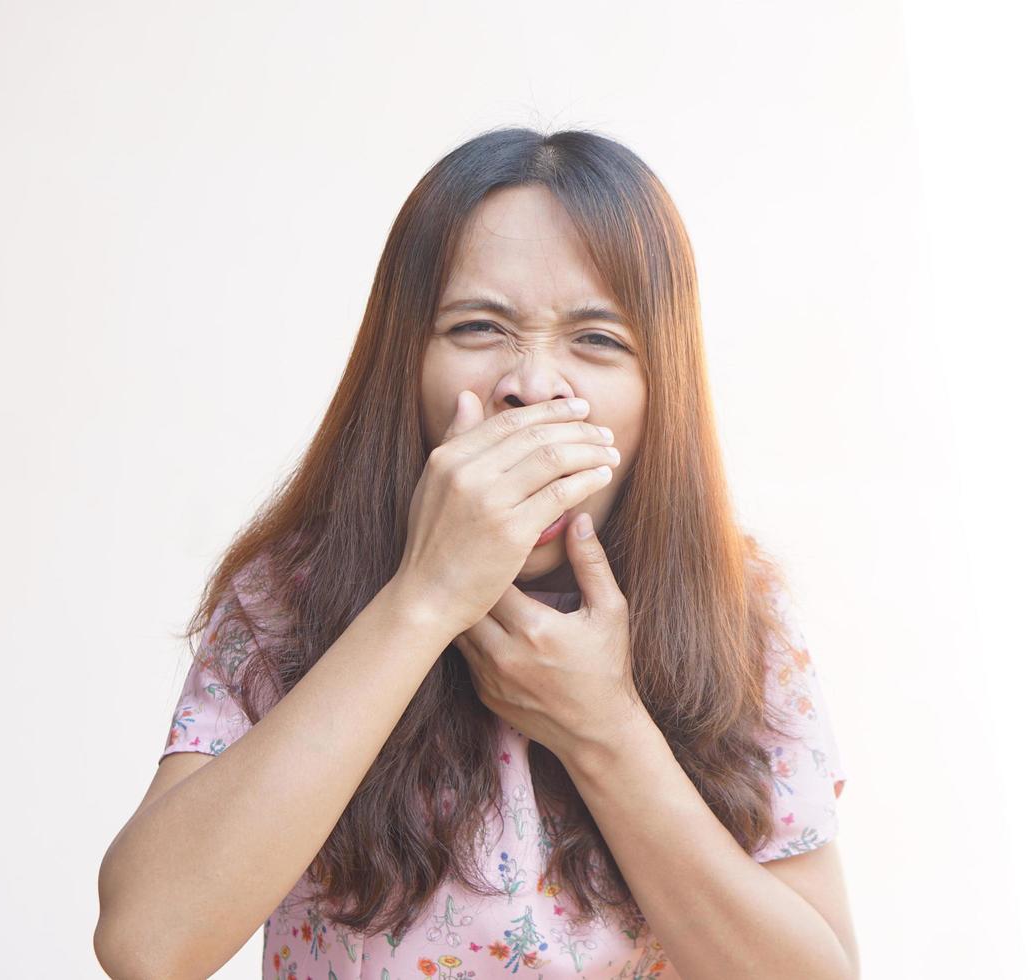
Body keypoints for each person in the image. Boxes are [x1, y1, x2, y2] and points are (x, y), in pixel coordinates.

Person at [95, 126, 858, 980]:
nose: (531, 384)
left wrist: (604, 731)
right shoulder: (288, 597)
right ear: (403, 365)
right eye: (478, 327)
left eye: (598, 340)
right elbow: (145, 943)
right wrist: (422, 601)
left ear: (660, 394)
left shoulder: (740, 616)